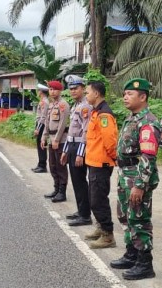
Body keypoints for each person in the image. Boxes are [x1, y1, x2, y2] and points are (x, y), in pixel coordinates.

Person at [105, 79, 160, 276]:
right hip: (124, 175)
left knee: (139, 218)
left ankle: (145, 264)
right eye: (125, 94)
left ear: (143, 97)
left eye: (130, 94)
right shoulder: (132, 119)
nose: (125, 97)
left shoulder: (148, 122)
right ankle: (132, 254)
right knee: (126, 216)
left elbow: (148, 157)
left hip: (136, 177)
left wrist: (139, 185)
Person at [83, 81, 118, 247]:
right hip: (94, 162)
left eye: (88, 92)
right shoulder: (96, 112)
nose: (86, 94)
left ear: (96, 94)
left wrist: (113, 158)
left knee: (99, 200)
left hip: (101, 164)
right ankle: (100, 227)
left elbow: (110, 141)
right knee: (94, 198)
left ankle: (108, 235)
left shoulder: (104, 115)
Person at [62, 75, 92, 225]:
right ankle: (81, 211)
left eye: (76, 88)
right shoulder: (75, 106)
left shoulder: (86, 107)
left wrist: (80, 154)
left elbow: (85, 132)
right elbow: (71, 132)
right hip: (72, 146)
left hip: (80, 148)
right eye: (71, 88)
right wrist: (65, 150)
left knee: (80, 182)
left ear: (83, 89)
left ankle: (85, 215)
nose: (73, 91)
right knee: (76, 181)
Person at [41, 80, 68, 203]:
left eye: (55, 89)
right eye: (50, 89)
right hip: (51, 140)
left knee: (60, 166)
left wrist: (56, 139)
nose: (52, 92)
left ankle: (62, 192)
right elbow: (47, 123)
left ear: (60, 90)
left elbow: (62, 124)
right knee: (52, 165)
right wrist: (43, 137)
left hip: (60, 140)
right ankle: (56, 189)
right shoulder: (51, 105)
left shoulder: (63, 105)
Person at [31, 84, 49, 173]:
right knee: (39, 145)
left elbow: (43, 117)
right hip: (40, 125)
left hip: (42, 126)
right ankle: (40, 164)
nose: (37, 92)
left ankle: (42, 165)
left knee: (41, 145)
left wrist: (37, 129)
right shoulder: (43, 101)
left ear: (41, 92)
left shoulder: (44, 102)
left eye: (38, 91)